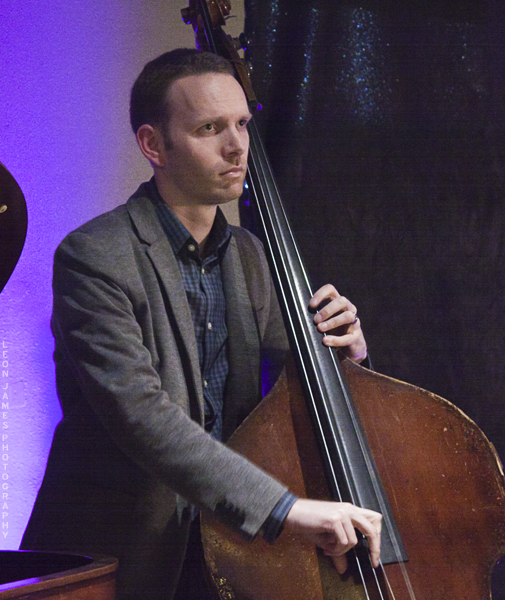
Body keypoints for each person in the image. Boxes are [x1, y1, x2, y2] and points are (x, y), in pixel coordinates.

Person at [20, 49, 381, 599]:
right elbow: (143, 418)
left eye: (242, 124)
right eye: (210, 128)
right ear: (153, 145)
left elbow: (294, 395)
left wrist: (346, 355)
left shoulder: (252, 255)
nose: (237, 146)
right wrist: (285, 509)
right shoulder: (94, 257)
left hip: (225, 545)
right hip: (121, 556)